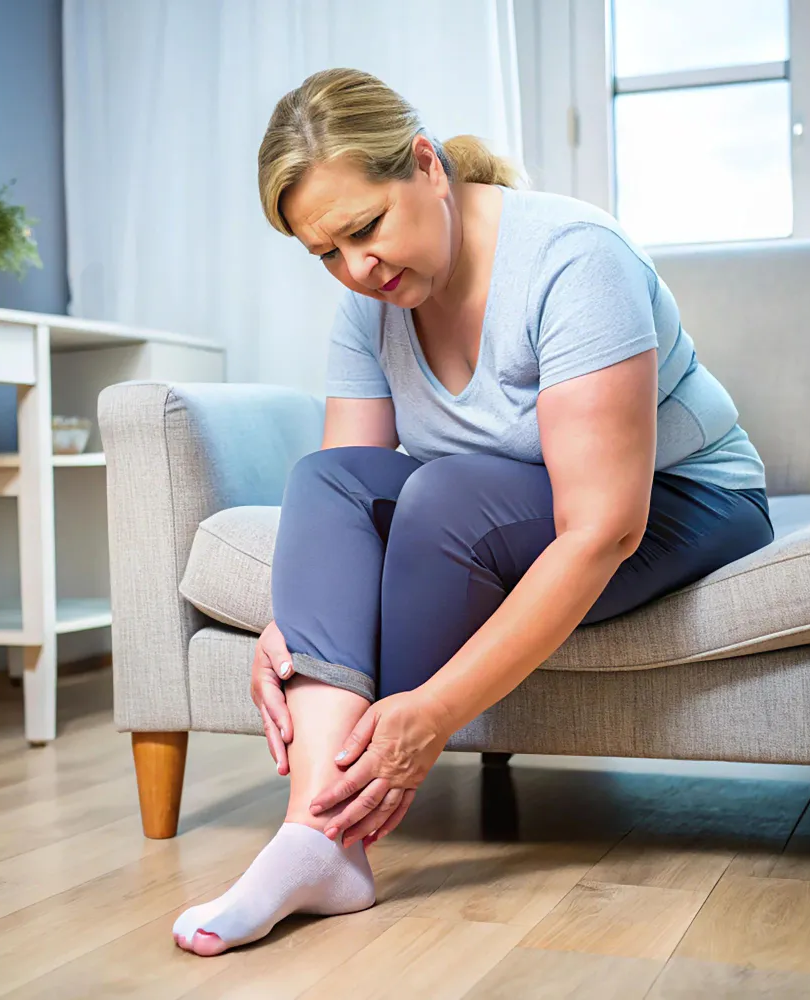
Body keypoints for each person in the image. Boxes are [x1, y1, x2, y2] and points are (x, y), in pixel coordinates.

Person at [172, 67, 774, 957]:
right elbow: (351, 494)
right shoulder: (369, 303)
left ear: (426, 165)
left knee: (444, 495)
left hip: (685, 501)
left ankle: (321, 842)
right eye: (326, 253)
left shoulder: (574, 258)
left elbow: (605, 526)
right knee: (322, 478)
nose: (357, 268)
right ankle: (316, 842)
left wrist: (433, 713)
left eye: (365, 229)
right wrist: (295, 620)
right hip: (503, 510)